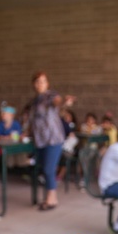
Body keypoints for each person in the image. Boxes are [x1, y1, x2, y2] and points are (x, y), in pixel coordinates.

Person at [28, 71, 74, 211]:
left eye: (42, 81)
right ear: (34, 84)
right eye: (37, 82)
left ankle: (51, 199)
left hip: (53, 138)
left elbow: (58, 103)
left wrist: (65, 102)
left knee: (49, 169)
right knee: (45, 168)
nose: (39, 84)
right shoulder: (35, 101)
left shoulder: (51, 96)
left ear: (47, 83)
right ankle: (49, 196)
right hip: (40, 140)